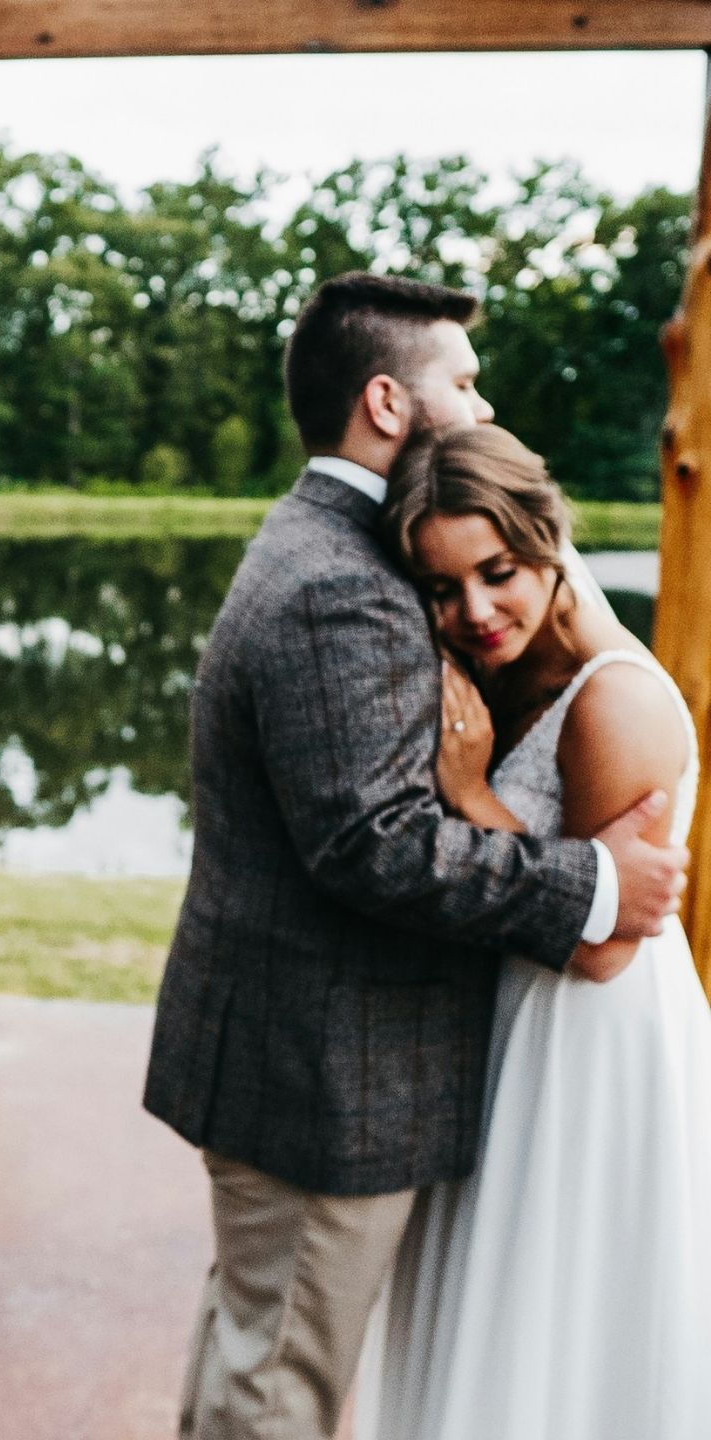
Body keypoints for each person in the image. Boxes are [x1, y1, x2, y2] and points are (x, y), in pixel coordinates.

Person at [142, 272, 687, 1440]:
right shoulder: (342, 581)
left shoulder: (335, 545)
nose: (484, 409)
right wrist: (592, 883)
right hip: (323, 1071)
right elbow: (371, 844)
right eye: (465, 382)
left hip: (303, 1058)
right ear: (390, 402)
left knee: (253, 1349)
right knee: (273, 1385)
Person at [355, 424, 711, 1438]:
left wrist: (466, 789)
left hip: (584, 1050)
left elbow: (601, 945)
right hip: (503, 1025)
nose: (473, 611)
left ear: (549, 540)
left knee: (555, 1319)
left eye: (497, 572)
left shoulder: (616, 704)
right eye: (440, 587)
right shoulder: (492, 673)